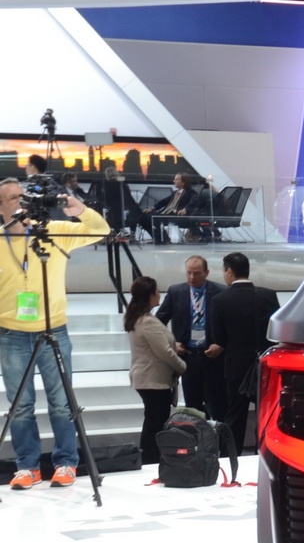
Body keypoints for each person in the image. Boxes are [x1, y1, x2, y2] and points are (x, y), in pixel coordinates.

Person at [0, 177, 111, 489]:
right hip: (11, 334)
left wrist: (78, 209)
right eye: (13, 198)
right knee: (20, 406)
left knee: (61, 402)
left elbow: (101, 230)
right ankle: (28, 467)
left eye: (23, 196)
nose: (21, 202)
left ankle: (66, 462)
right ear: (1, 207)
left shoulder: (53, 232)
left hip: (54, 329)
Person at [206, 251, 280, 452]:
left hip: (236, 367)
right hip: (264, 365)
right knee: (265, 414)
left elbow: (218, 338)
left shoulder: (219, 300)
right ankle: (264, 453)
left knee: (235, 414)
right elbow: (276, 331)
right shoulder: (268, 295)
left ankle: (231, 456)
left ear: (229, 271)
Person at [156, 255, 227, 421]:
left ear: (206, 273)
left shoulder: (221, 292)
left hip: (213, 356)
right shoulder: (176, 292)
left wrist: (222, 344)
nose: (192, 277)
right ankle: (197, 435)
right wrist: (172, 343)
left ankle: (220, 436)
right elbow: (158, 322)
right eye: (188, 273)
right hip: (188, 356)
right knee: (193, 406)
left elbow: (231, 324)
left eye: (197, 273)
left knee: (218, 404)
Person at [123, 275, 185, 464]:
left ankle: (150, 458)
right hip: (153, 380)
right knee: (155, 422)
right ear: (150, 296)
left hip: (147, 378)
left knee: (153, 420)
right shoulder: (147, 321)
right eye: (157, 292)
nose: (159, 295)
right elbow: (164, 351)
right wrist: (182, 366)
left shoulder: (137, 317)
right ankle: (151, 459)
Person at [140, 173, 197, 244]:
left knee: (154, 218)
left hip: (177, 215)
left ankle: (162, 239)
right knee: (144, 218)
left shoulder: (191, 193)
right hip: (167, 213)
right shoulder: (175, 193)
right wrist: (152, 208)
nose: (174, 181)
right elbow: (164, 201)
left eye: (176, 180)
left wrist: (185, 209)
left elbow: (193, 202)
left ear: (183, 182)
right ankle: (159, 238)